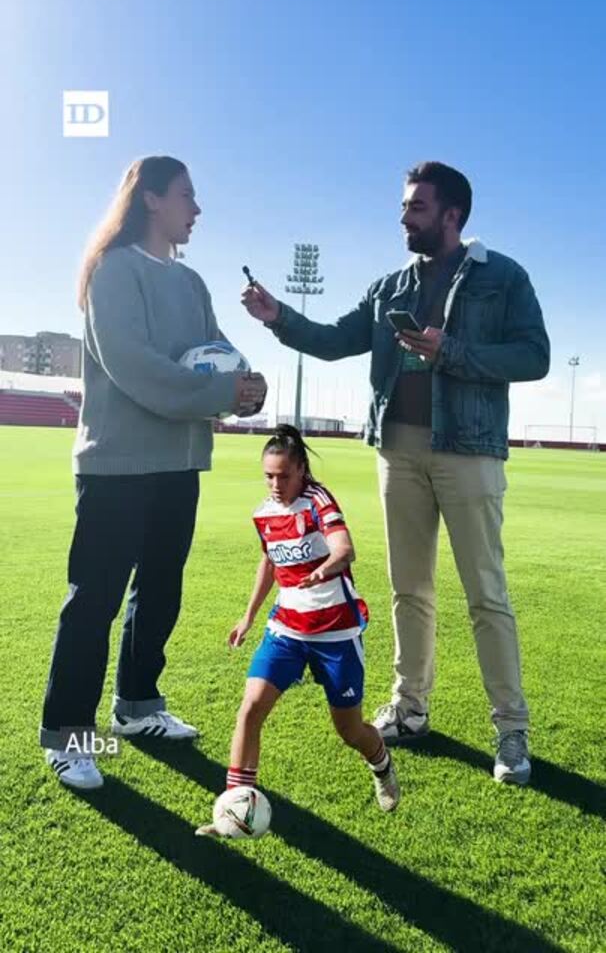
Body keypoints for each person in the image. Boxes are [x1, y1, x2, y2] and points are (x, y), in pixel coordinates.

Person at [241, 161, 550, 786]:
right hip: (398, 449)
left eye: (416, 207)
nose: (404, 217)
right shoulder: (390, 286)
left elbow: (535, 356)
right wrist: (278, 316)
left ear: (452, 215)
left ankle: (510, 730)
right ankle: (410, 708)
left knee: (485, 593)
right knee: (409, 588)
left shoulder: (503, 276)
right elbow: (335, 339)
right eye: (405, 206)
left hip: (469, 449)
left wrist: (452, 351)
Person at [41, 155, 267, 790]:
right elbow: (134, 366)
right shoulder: (113, 270)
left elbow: (218, 352)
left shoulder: (191, 282)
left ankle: (138, 706)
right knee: (96, 599)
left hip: (179, 462)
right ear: (150, 200)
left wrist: (247, 387)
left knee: (160, 591)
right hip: (116, 464)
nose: (197, 209)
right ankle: (67, 736)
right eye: (187, 195)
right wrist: (220, 393)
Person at [197, 424, 400, 835]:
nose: (276, 485)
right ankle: (233, 808)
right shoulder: (264, 513)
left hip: (335, 631)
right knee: (251, 708)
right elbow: (269, 562)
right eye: (269, 476)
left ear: (302, 470)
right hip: (286, 629)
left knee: (349, 730)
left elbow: (345, 549)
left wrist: (324, 569)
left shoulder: (318, 500)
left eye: (284, 476)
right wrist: (248, 617)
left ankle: (381, 765)